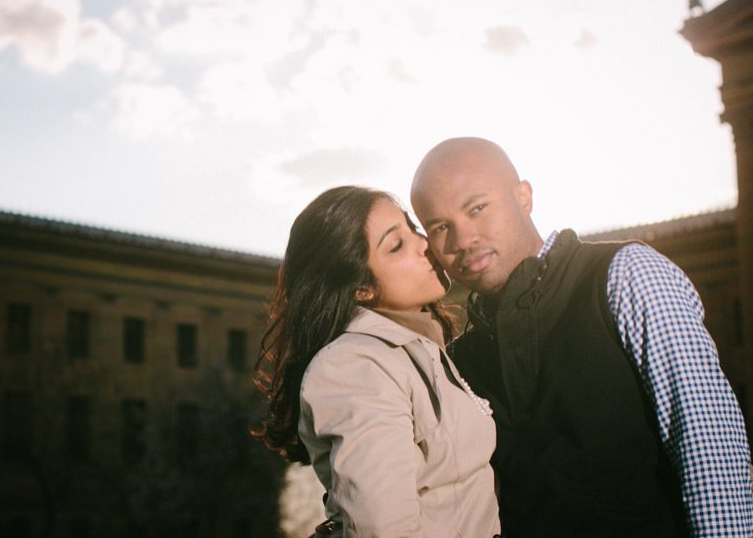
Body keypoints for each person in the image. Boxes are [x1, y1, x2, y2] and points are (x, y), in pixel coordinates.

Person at [409, 136, 753, 538]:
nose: (463, 240)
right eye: (441, 226)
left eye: (478, 208)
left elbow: (708, 448)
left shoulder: (626, 275)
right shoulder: (461, 358)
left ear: (523, 197)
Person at [254, 185, 500, 537]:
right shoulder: (355, 366)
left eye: (413, 228)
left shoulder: (414, 351)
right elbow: (382, 530)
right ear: (361, 289)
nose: (424, 242)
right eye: (396, 244)